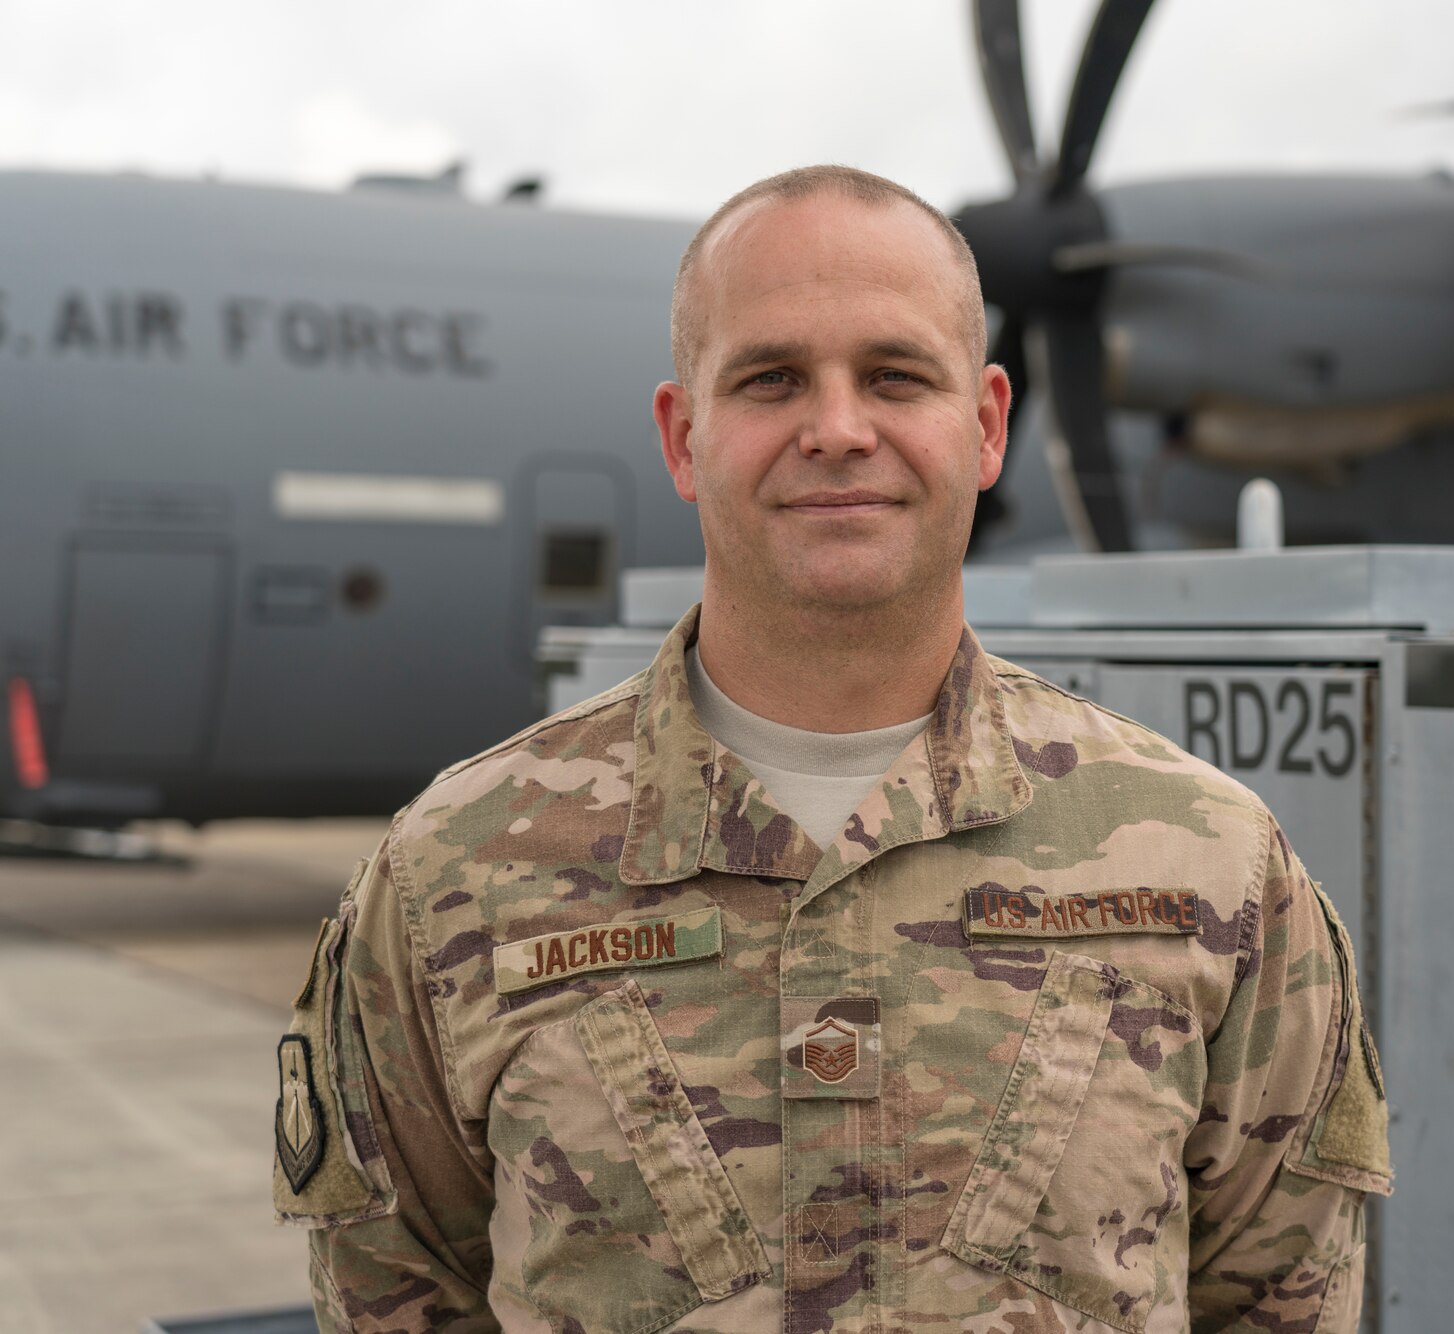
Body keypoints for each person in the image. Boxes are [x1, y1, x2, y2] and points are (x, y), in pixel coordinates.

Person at [274, 164, 1392, 1334]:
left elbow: (1276, 1297)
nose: (838, 429)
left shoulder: (1211, 865)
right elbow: (395, 1295)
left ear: (987, 424)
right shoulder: (452, 872)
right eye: (770, 379)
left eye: (896, 375)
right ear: (683, 435)